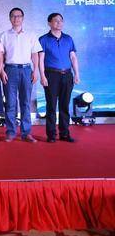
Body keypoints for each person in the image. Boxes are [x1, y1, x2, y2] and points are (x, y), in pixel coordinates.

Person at [0, 7, 42, 143]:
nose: (16, 18)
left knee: (25, 103)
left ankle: (26, 133)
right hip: (9, 70)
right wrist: (2, 71)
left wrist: (35, 70)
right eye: (13, 16)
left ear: (23, 18)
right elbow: (0, 56)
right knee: (10, 103)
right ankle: (10, 132)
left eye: (19, 16)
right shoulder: (4, 35)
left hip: (26, 70)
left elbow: (35, 54)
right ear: (10, 18)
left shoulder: (31, 35)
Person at [38, 13, 80, 143]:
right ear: (49, 23)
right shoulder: (43, 39)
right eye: (56, 21)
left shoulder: (68, 39)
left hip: (67, 75)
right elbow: (41, 59)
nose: (59, 23)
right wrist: (42, 76)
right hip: (51, 75)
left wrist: (77, 74)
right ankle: (51, 134)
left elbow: (73, 57)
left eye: (61, 20)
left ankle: (64, 133)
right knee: (51, 106)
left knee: (64, 105)